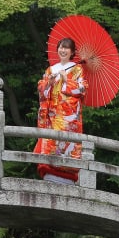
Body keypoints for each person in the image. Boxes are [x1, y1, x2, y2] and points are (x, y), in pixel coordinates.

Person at [34, 37, 85, 184]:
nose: (62, 50)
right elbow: (42, 92)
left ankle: (65, 175)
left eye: (66, 48)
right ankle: (48, 171)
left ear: (72, 52)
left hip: (67, 117)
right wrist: (48, 83)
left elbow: (81, 90)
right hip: (51, 115)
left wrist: (66, 80)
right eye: (60, 47)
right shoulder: (51, 69)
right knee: (49, 142)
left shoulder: (77, 69)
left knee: (65, 145)